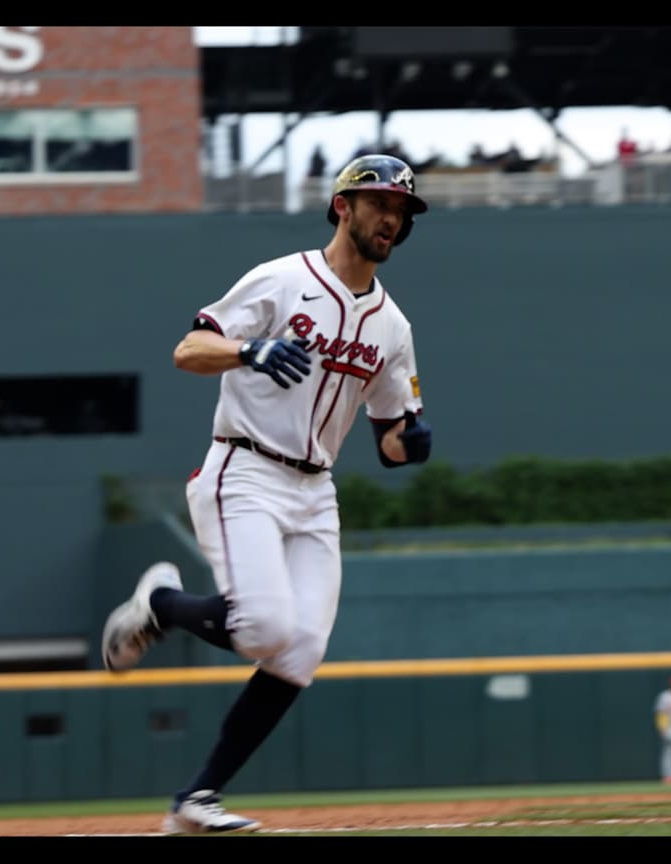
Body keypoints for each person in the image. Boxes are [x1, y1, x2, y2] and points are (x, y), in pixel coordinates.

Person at [99, 154, 435, 835]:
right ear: (342, 207)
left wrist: (412, 441)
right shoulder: (283, 279)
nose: (391, 219)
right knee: (264, 630)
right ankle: (159, 604)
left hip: (315, 490)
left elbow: (390, 440)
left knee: (301, 649)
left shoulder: (393, 328)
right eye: (379, 203)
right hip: (244, 469)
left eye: (401, 211)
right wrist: (248, 350)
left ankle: (195, 802)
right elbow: (189, 350)